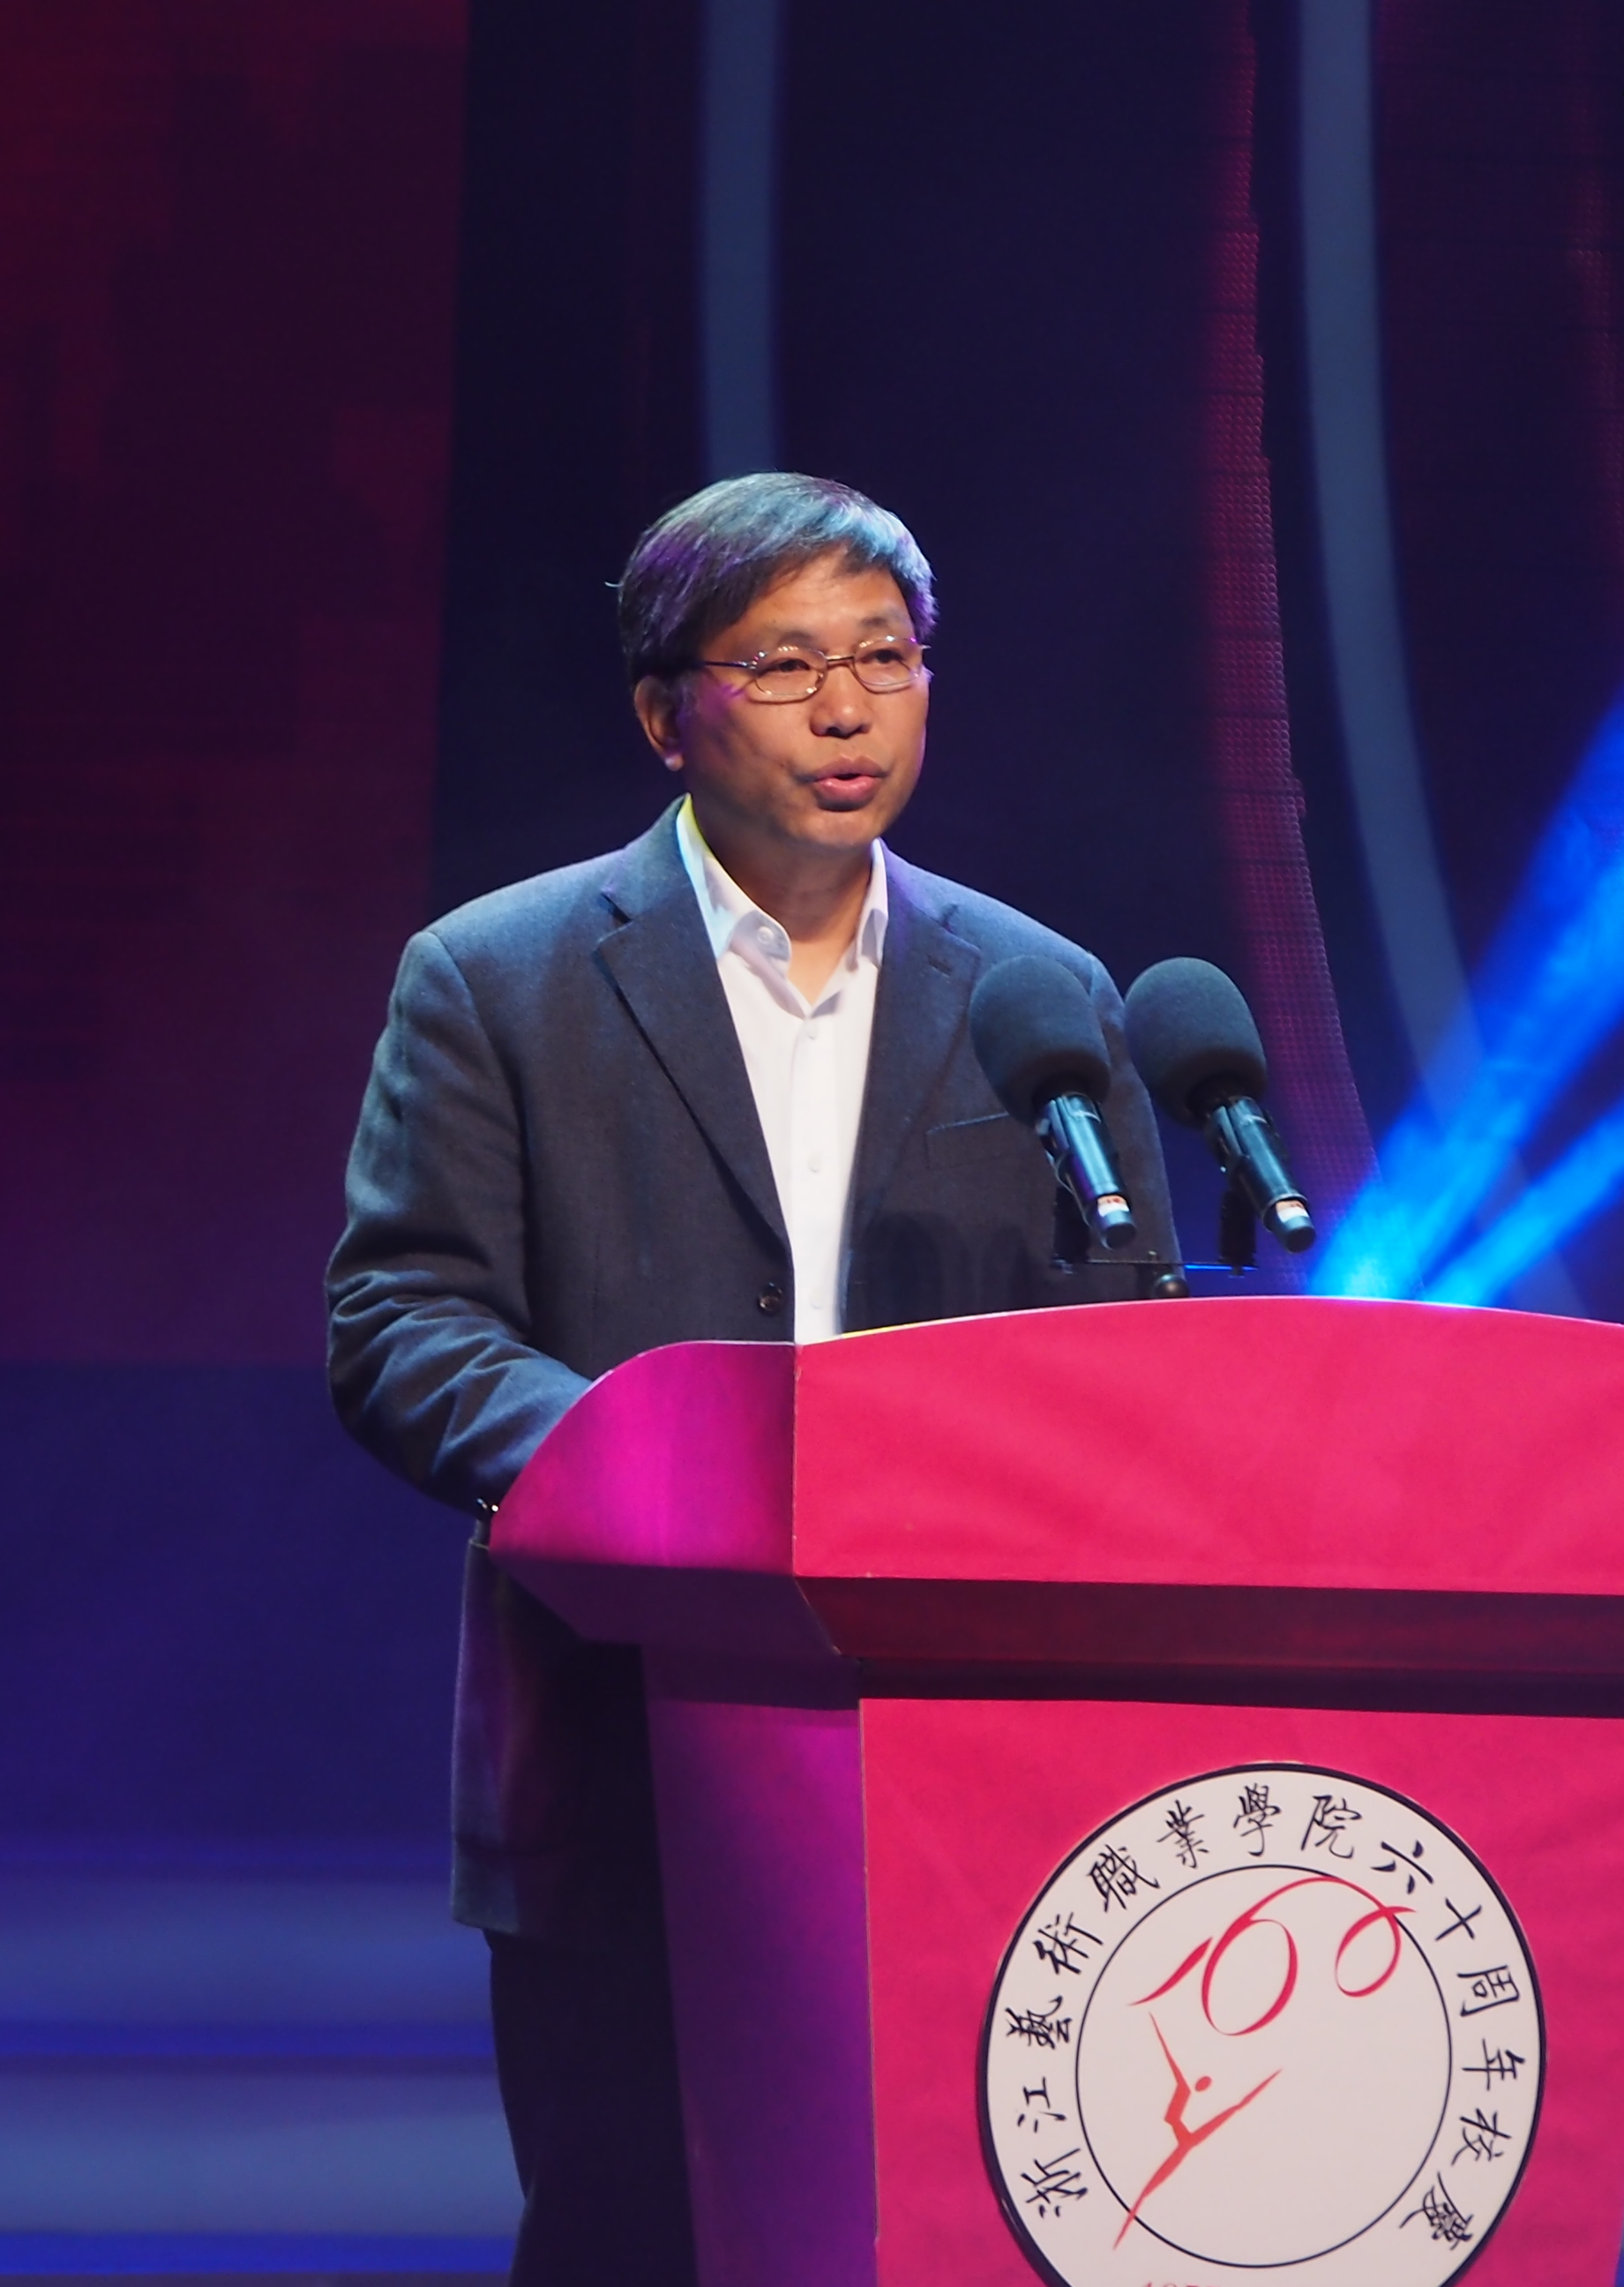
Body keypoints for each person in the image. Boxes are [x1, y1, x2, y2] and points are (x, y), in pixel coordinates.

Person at [326, 472, 1179, 2282]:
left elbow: (1127, 1353)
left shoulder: (1041, 996)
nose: (848, 710)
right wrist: (661, 1467)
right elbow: (402, 1318)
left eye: (886, 658)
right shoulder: (498, 978)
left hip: (973, 1744)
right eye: (786, 666)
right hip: (623, 1737)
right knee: (636, 2233)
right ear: (667, 715)